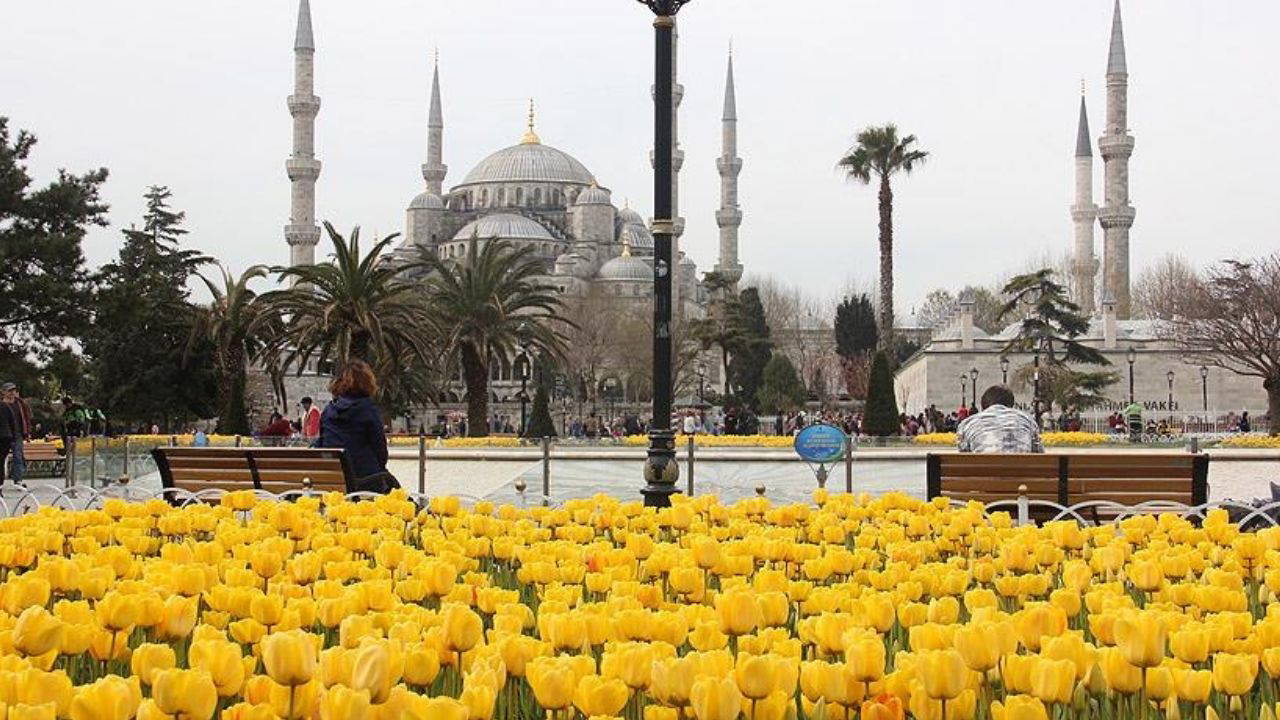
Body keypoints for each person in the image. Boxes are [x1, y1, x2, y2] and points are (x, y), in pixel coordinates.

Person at [317, 360, 397, 493]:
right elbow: (380, 451)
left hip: (333, 481)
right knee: (397, 491)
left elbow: (322, 442)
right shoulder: (367, 409)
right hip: (364, 481)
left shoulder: (328, 411)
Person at [956, 385, 1043, 454]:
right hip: (1022, 470)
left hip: (984, 470)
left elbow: (963, 455)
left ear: (984, 407)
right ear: (1011, 405)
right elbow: (1039, 453)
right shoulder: (1028, 420)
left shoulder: (967, 424)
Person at [2, 383, 31, 487]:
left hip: (17, 434)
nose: (12, 393)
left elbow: (26, 418)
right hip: (3, 435)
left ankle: (18, 480)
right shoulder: (2, 404)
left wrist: (27, 432)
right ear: (3, 392)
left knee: (18, 456)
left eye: (13, 390)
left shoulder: (20, 404)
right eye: (9, 390)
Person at [0, 384, 17, 487]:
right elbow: (13, 422)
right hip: (6, 437)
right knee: (1, 462)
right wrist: (13, 437)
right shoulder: (6, 406)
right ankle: (0, 486)